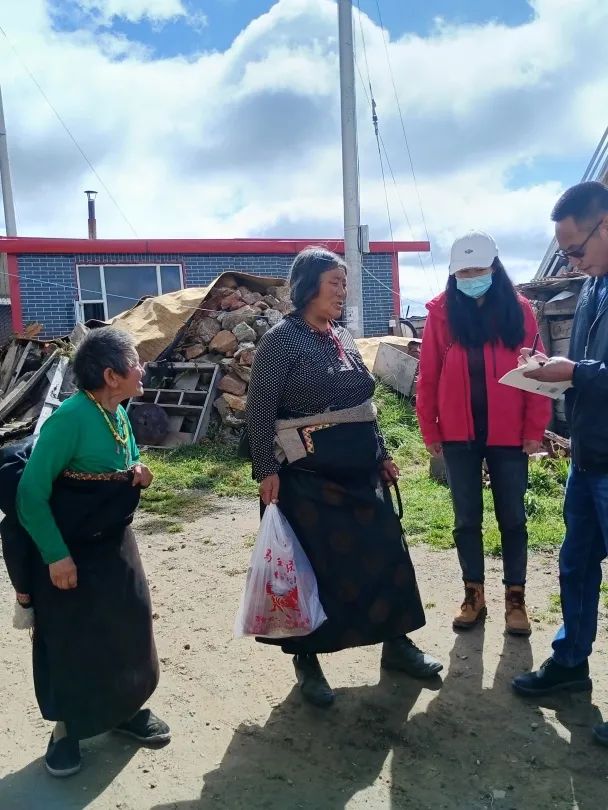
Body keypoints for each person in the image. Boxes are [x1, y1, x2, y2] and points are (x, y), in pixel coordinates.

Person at [245, 246, 442, 708]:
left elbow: (363, 407)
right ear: (308, 285)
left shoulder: (344, 337)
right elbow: (259, 410)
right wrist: (266, 469)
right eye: (335, 282)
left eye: (344, 283)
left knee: (387, 553)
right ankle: (307, 659)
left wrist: (382, 453)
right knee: (312, 571)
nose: (342, 291)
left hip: (360, 476)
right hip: (305, 481)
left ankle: (397, 642)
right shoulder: (280, 341)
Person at [14, 327, 169, 777]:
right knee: (75, 642)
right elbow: (30, 494)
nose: (142, 368)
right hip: (71, 553)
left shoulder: (116, 412)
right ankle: (66, 730)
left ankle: (125, 710)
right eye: (135, 362)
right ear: (111, 375)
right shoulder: (70, 418)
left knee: (128, 630)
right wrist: (55, 555)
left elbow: (125, 459)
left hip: (114, 547)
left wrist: (139, 471)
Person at [416, 231, 551, 635]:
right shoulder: (441, 313)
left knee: (513, 518)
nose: (471, 277)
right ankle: (473, 594)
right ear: (453, 273)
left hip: (509, 433)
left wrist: (534, 428)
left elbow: (537, 372)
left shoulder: (519, 311)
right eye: (464, 272)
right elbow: (428, 375)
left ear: (495, 268)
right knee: (465, 519)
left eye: (478, 270)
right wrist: (429, 427)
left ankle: (516, 599)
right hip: (458, 433)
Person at [512, 181, 608, 747]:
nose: (571, 261)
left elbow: (590, 370)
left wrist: (575, 372)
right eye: (566, 252)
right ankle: (571, 662)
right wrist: (552, 366)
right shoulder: (592, 286)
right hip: (590, 458)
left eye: (576, 248)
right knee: (575, 565)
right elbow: (590, 366)